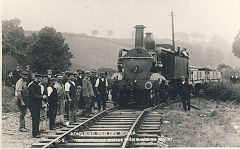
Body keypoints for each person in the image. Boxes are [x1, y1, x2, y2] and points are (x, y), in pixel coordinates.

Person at [28, 73, 45, 138]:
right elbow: (33, 95)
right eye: (38, 78)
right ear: (35, 78)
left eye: (40, 78)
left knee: (37, 118)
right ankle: (35, 133)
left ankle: (37, 131)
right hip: (33, 104)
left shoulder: (38, 85)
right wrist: (42, 97)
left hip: (37, 104)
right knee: (35, 118)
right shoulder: (32, 85)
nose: (39, 79)